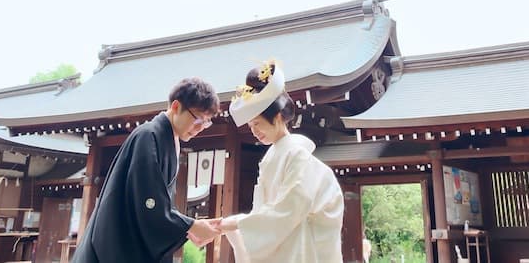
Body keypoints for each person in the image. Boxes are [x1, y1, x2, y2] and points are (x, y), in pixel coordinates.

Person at [71, 77, 222, 263]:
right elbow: (148, 202)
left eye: (206, 122)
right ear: (176, 107)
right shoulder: (148, 136)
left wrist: (188, 227)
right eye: (197, 118)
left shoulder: (166, 139)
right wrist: (189, 226)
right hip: (115, 245)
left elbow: (157, 205)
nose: (200, 128)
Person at [218, 60, 344, 263]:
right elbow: (265, 212)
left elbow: (288, 211)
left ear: (277, 118)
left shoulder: (297, 155)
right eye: (250, 126)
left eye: (257, 123)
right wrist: (237, 224)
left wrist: (236, 223)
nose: (254, 131)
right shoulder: (272, 158)